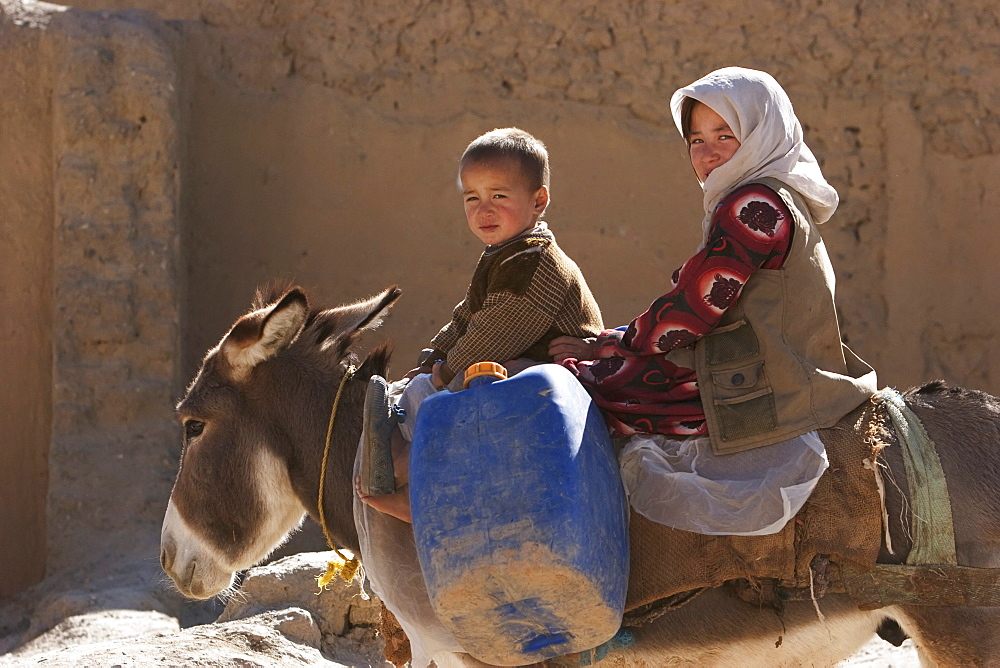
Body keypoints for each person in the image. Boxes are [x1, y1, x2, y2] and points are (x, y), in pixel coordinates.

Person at [550, 67, 877, 536]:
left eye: (725, 135)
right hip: (773, 362)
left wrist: (603, 349)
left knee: (583, 388)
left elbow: (691, 313)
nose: (707, 153)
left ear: (761, 133)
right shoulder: (775, 197)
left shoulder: (753, 207)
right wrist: (617, 339)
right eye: (696, 141)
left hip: (760, 380)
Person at [358, 127, 604, 523]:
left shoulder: (536, 261)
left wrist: (446, 370)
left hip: (553, 373)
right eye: (472, 198)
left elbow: (498, 330)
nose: (483, 210)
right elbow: (469, 315)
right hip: (515, 359)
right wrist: (433, 354)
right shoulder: (503, 254)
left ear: (538, 201)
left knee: (455, 397)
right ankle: (402, 439)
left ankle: (411, 475)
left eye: (499, 197)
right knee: (432, 384)